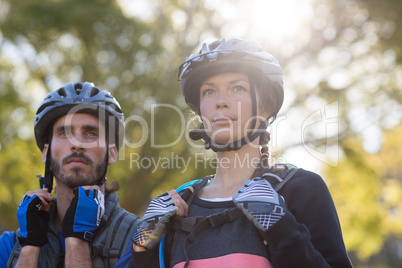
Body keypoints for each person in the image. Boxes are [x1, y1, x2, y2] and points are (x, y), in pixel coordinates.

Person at [119, 37, 353, 267]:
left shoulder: (301, 189)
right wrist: (143, 248)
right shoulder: (180, 204)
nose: (220, 102)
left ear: (265, 107)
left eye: (237, 88)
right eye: (208, 92)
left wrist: (282, 228)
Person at [0, 82, 140, 267]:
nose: (77, 144)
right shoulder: (9, 246)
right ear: (46, 152)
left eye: (91, 133)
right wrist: (29, 247)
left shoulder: (138, 239)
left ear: (111, 153)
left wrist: (77, 240)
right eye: (65, 132)